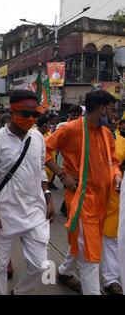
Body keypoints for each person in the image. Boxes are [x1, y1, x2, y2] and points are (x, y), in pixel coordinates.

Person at [45, 90, 122, 295]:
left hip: (103, 200)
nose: (114, 116)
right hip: (82, 198)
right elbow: (44, 150)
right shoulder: (72, 128)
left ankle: (64, 271)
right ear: (102, 109)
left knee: (84, 240)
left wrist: (115, 175)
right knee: (91, 250)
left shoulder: (106, 133)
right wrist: (62, 175)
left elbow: (113, 161)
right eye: (112, 110)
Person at [0, 89, 55, 295]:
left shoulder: (38, 138)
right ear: (12, 111)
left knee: (41, 264)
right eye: (25, 114)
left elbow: (40, 170)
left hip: (34, 211)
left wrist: (48, 198)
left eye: (35, 115)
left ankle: (20, 292)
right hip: (3, 213)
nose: (31, 119)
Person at [100, 112, 124, 295]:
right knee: (80, 240)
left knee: (111, 237)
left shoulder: (122, 142)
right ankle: (65, 270)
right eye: (111, 118)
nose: (113, 122)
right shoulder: (90, 137)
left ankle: (112, 279)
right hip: (92, 196)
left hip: (116, 197)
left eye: (116, 119)